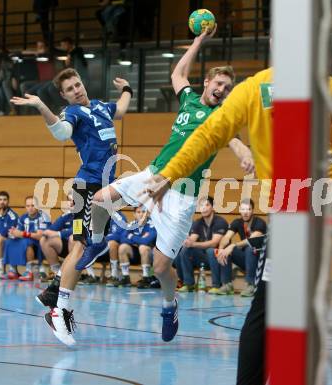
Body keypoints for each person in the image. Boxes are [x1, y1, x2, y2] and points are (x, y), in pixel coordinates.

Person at [143, 67, 332, 384]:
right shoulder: (324, 84)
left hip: (288, 210)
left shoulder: (250, 89)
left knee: (262, 312)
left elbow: (206, 136)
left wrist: (169, 173)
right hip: (326, 196)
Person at [80, 26, 254, 344]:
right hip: (154, 174)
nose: (223, 90)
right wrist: (199, 41)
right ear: (207, 83)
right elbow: (178, 73)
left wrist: (244, 152)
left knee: (161, 267)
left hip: (181, 197)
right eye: (219, 83)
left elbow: (234, 139)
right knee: (102, 198)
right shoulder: (188, 99)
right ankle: (97, 243)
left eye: (228, 87)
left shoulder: (222, 117)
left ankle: (169, 305)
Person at [10, 67, 131, 346]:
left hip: (100, 190)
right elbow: (62, 133)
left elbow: (122, 110)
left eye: (77, 85)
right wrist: (41, 106)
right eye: (70, 89)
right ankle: (58, 310)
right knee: (89, 246)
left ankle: (54, 291)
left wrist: (127, 89)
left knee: (82, 246)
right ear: (64, 96)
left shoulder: (101, 106)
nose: (76, 90)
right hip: (86, 189)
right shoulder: (73, 113)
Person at [176, 196, 229, 293]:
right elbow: (192, 239)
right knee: (184, 250)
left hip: (218, 257)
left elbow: (214, 243)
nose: (204, 208)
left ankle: (216, 285)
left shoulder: (220, 222)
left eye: (207, 205)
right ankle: (188, 284)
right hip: (203, 258)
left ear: (212, 207)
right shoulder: (198, 222)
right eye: (201, 206)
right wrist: (187, 241)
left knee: (210, 250)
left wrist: (193, 244)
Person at [216, 198, 267, 297]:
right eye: (243, 209)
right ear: (239, 210)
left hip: (260, 260)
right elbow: (226, 237)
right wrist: (221, 249)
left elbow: (251, 240)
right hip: (247, 259)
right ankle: (227, 284)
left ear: (253, 210)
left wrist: (233, 245)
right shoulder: (237, 222)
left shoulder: (259, 222)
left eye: (248, 209)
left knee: (250, 247)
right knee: (226, 249)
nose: (245, 212)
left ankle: (251, 285)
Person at [3, 196, 51, 281]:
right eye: (28, 206)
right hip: (27, 240)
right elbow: (19, 232)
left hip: (41, 244)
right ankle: (13, 270)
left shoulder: (44, 217)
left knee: (27, 242)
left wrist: (23, 233)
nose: (30, 208)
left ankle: (29, 271)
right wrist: (13, 233)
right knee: (9, 241)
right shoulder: (23, 217)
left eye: (33, 205)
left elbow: (41, 236)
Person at [117, 206, 157, 288]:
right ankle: (126, 278)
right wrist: (139, 239)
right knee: (123, 247)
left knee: (143, 247)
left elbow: (147, 241)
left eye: (143, 212)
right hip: (136, 254)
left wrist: (131, 236)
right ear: (134, 214)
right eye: (138, 212)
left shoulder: (152, 225)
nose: (141, 214)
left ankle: (146, 277)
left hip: (151, 256)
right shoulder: (132, 224)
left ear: (147, 214)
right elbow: (122, 238)